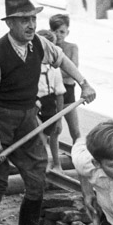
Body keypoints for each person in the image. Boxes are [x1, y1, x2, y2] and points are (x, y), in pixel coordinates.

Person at [0, 0, 96, 225]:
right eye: (23, 20)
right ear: (9, 24)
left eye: (32, 18)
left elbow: (63, 59)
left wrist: (84, 83)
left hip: (27, 118)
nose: (30, 24)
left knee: (37, 178)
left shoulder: (39, 44)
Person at [36, 30, 66, 172]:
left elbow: (59, 93)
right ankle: (44, 162)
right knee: (40, 133)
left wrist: (59, 119)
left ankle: (57, 163)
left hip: (49, 101)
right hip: (34, 103)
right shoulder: (31, 66)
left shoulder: (54, 69)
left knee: (54, 133)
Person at [49, 14, 82, 143]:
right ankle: (55, 160)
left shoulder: (72, 47)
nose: (58, 35)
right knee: (54, 130)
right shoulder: (49, 48)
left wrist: (55, 71)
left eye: (62, 32)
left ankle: (77, 156)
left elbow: (73, 71)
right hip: (53, 93)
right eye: (55, 31)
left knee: (75, 131)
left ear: (67, 32)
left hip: (68, 92)